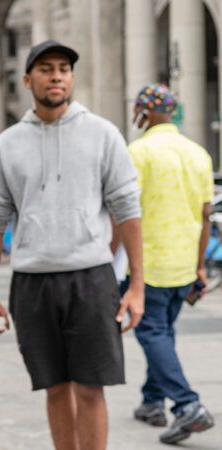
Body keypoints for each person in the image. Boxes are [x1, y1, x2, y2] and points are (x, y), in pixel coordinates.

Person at [0, 41, 144, 450]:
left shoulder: (103, 133)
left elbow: (128, 210)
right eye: (47, 68)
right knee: (54, 388)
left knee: (91, 388)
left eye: (64, 69)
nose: (56, 76)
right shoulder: (7, 144)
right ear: (28, 79)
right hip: (32, 281)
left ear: (71, 78)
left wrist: (137, 286)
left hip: (91, 278)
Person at [124, 83, 215, 444]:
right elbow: (206, 215)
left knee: (152, 333)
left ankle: (187, 405)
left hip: (149, 264)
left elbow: (126, 213)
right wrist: (200, 267)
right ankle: (151, 402)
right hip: (184, 265)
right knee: (163, 333)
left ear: (143, 112)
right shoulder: (199, 154)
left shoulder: (138, 152)